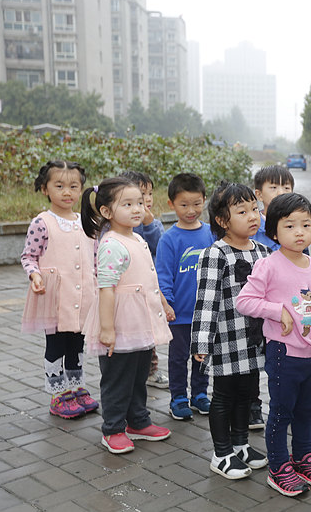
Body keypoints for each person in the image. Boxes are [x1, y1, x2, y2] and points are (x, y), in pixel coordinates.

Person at [236, 193, 311, 497]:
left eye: (305, 225)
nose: (299, 232)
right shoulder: (270, 265)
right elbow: (245, 301)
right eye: (290, 225)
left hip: (310, 352)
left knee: (307, 409)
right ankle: (279, 466)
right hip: (282, 352)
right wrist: (276, 311)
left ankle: (303, 458)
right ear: (274, 231)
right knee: (282, 411)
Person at [81, 177, 174, 454]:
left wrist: (164, 303)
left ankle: (138, 421)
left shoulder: (136, 238)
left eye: (141, 203)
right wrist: (107, 329)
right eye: (128, 204)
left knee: (138, 374)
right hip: (120, 324)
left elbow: (150, 278)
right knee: (118, 378)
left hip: (141, 321)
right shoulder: (111, 244)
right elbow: (106, 289)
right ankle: (112, 429)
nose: (138, 209)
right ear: (107, 212)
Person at [191, 181, 270, 480]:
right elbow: (206, 300)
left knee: (248, 394)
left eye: (255, 209)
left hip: (253, 339)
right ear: (223, 221)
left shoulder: (262, 251)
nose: (253, 216)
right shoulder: (217, 254)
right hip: (225, 339)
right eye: (242, 211)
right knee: (224, 396)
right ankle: (221, 453)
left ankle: (241, 445)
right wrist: (201, 342)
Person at [20, 160, 99, 419]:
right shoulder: (42, 222)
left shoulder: (87, 221)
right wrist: (34, 275)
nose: (68, 192)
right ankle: (58, 394)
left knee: (77, 343)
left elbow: (96, 256)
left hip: (83, 294)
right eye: (60, 185)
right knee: (56, 345)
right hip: (54, 297)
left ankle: (76, 387)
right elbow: (29, 256)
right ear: (45, 189)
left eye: (74, 186)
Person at [154, 173, 214, 421]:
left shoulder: (212, 234)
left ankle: (200, 394)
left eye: (197, 203)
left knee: (203, 354)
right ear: (171, 205)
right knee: (178, 358)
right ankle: (178, 397)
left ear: (204, 200)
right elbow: (163, 275)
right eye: (184, 204)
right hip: (179, 314)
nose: (191, 210)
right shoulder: (169, 239)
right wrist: (167, 305)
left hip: (206, 312)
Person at [248, 164, 295, 429]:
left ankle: (282, 407)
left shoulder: (295, 225)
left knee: (281, 362)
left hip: (287, 311)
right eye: (273, 187)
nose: (280, 192)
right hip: (260, 307)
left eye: (286, 187)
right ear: (259, 193)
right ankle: (253, 406)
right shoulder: (254, 225)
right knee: (254, 358)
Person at [119, 170, 169, 390]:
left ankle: (150, 370)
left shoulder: (152, 223)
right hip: (127, 289)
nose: (147, 199)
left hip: (149, 286)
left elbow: (161, 245)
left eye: (149, 194)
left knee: (149, 328)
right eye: (141, 194)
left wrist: (149, 223)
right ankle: (133, 370)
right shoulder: (118, 224)